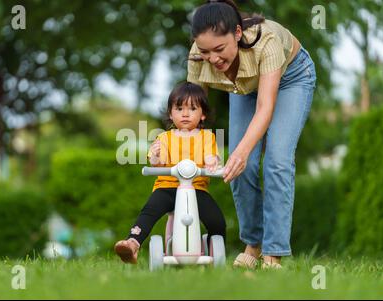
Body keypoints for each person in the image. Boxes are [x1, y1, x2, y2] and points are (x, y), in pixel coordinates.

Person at [187, 0, 316, 269]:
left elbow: (265, 107)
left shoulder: (265, 40)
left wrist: (242, 152)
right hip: (245, 88)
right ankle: (253, 244)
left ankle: (274, 253)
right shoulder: (199, 56)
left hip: (292, 78)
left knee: (276, 162)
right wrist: (182, 151)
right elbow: (190, 111)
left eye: (219, 49)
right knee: (238, 168)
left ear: (236, 33)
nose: (213, 58)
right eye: (205, 51)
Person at [114, 82, 226, 264]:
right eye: (179, 108)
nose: (185, 113)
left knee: (217, 221)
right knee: (149, 212)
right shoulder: (164, 138)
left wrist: (212, 161)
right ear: (170, 113)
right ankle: (132, 244)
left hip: (196, 190)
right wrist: (156, 157)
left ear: (203, 114)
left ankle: (217, 250)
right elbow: (156, 161)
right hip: (167, 187)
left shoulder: (207, 137)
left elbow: (211, 156)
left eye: (192, 108)